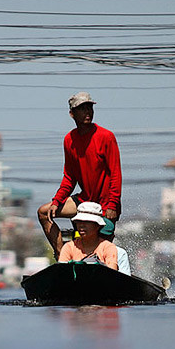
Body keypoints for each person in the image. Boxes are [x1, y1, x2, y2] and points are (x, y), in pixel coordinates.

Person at [37, 91, 122, 258]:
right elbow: (69, 177)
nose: (87, 112)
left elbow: (115, 174)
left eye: (89, 107)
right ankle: (62, 255)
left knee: (96, 254)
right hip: (83, 201)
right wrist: (57, 200)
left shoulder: (106, 137)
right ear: (72, 114)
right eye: (82, 109)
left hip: (105, 206)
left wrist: (112, 205)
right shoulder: (69, 140)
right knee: (43, 212)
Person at [58, 202, 118, 270]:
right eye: (79, 221)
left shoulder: (108, 248)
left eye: (87, 222)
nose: (81, 225)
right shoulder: (69, 247)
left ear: (97, 226)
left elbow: (112, 275)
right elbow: (61, 273)